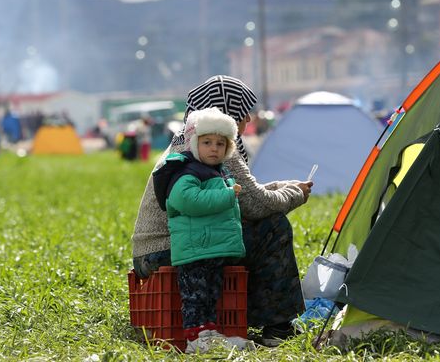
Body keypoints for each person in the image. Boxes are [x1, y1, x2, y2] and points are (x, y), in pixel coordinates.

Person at [132, 75, 313, 348]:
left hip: (151, 252)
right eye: (243, 112)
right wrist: (295, 194)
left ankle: (254, 318)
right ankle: (277, 325)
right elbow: (254, 205)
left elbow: (240, 192)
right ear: (226, 112)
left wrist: (282, 186)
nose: (248, 120)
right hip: (167, 249)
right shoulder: (216, 144)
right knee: (271, 227)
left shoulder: (192, 140)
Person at [152, 107, 252, 353]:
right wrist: (227, 196)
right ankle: (195, 339)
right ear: (195, 143)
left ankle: (210, 332)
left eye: (220, 143)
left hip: (211, 250)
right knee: (194, 296)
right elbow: (187, 201)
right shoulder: (187, 171)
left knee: (211, 295)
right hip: (195, 249)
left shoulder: (218, 172)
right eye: (207, 142)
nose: (214, 148)